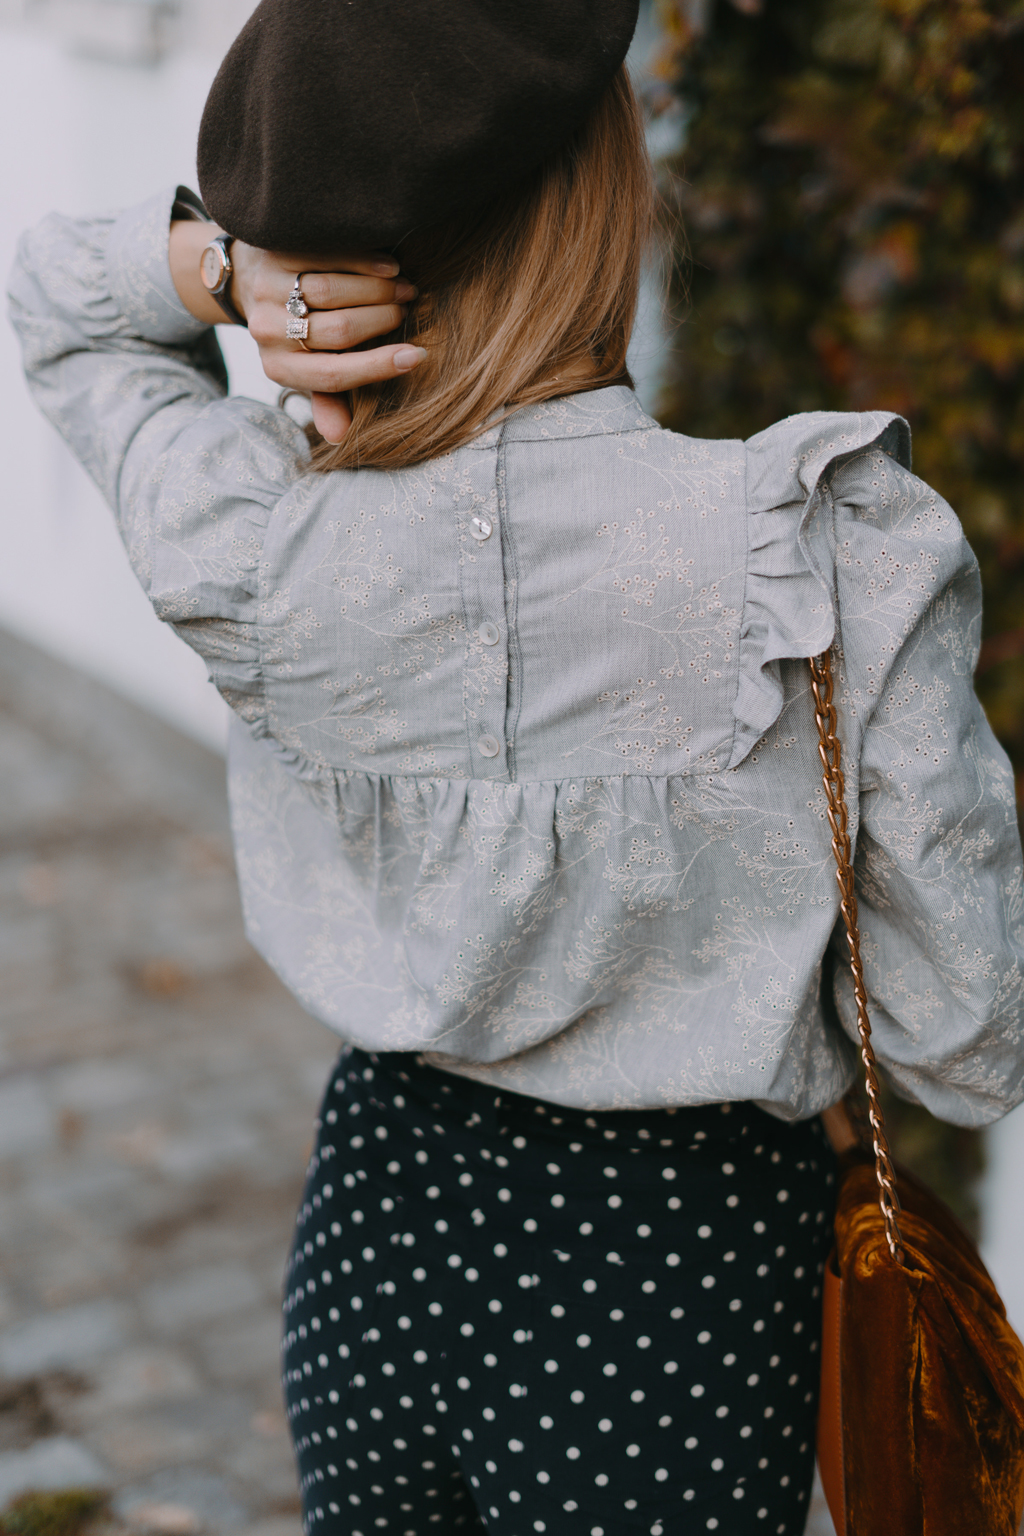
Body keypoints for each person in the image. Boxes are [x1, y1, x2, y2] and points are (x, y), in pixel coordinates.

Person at [9, 2, 1024, 1532]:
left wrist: (224, 273)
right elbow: (970, 1038)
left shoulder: (247, 535)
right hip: (675, 1270)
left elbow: (55, 303)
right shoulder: (829, 550)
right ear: (594, 196)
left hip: (377, 1235)